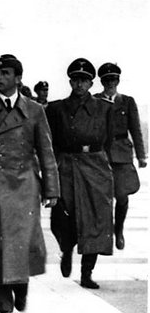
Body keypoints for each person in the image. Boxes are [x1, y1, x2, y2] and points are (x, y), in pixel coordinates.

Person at [0, 54, 60, 313]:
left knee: (21, 244)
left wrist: (51, 189)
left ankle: (21, 287)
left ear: (18, 79)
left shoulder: (35, 111)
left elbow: (46, 151)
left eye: (5, 73)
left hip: (25, 187)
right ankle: (3, 306)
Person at [46, 58, 115, 291]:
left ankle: (87, 272)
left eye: (84, 80)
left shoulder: (105, 108)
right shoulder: (56, 109)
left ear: (91, 82)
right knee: (64, 215)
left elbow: (111, 141)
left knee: (96, 219)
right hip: (66, 165)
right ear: (70, 81)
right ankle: (66, 249)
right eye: (76, 80)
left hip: (95, 166)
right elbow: (49, 142)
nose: (80, 84)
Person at [94, 63, 146, 250]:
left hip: (122, 154)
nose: (110, 83)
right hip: (101, 154)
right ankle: (105, 231)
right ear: (101, 81)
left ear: (118, 81)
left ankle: (119, 229)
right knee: (102, 197)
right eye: (106, 80)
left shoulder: (127, 102)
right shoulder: (95, 100)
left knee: (122, 196)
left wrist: (141, 156)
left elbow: (136, 129)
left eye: (113, 80)